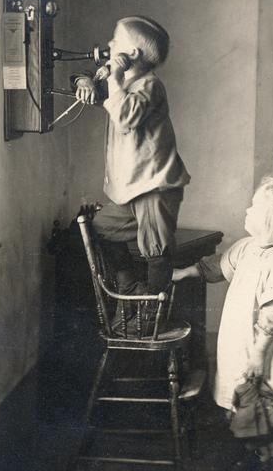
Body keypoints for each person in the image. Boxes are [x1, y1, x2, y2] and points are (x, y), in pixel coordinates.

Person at [172, 177, 273, 471]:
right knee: (240, 409)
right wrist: (183, 273)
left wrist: (258, 354)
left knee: (261, 411)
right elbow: (216, 268)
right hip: (239, 344)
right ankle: (251, 459)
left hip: (267, 353)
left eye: (255, 207)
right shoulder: (248, 247)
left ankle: (269, 467)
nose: (247, 210)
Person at [74, 16, 190, 330]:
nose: (109, 45)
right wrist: (85, 81)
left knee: (156, 248)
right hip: (130, 187)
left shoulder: (150, 86)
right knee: (102, 228)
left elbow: (125, 116)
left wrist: (113, 76)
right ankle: (128, 288)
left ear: (132, 54)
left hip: (155, 185)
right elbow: (94, 81)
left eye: (115, 41)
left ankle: (153, 312)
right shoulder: (120, 81)